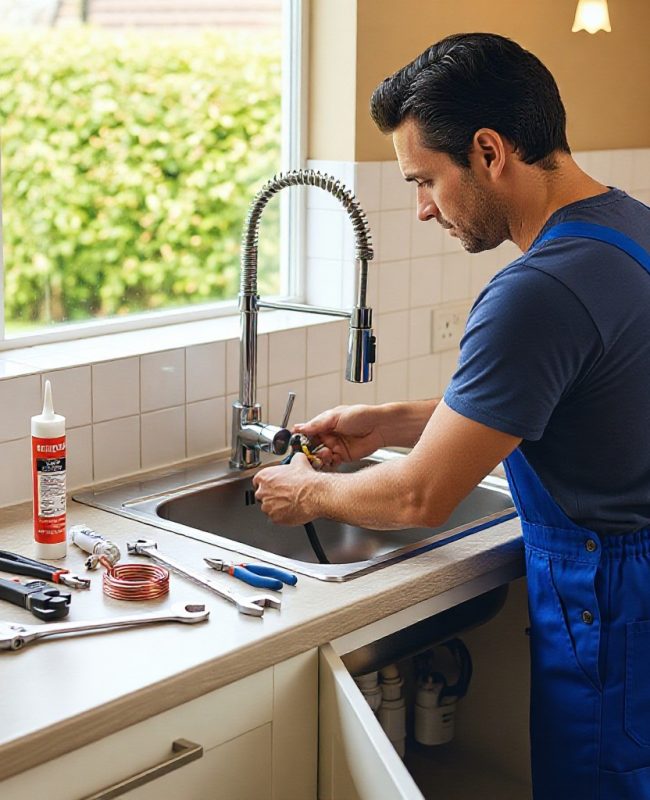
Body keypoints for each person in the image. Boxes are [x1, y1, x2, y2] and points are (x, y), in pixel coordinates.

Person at [252, 32, 650, 800]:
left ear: (490, 151)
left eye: (426, 180)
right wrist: (392, 420)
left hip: (609, 604)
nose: (423, 208)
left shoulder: (537, 290)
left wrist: (304, 493)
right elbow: (568, 394)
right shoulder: (629, 226)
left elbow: (416, 498)